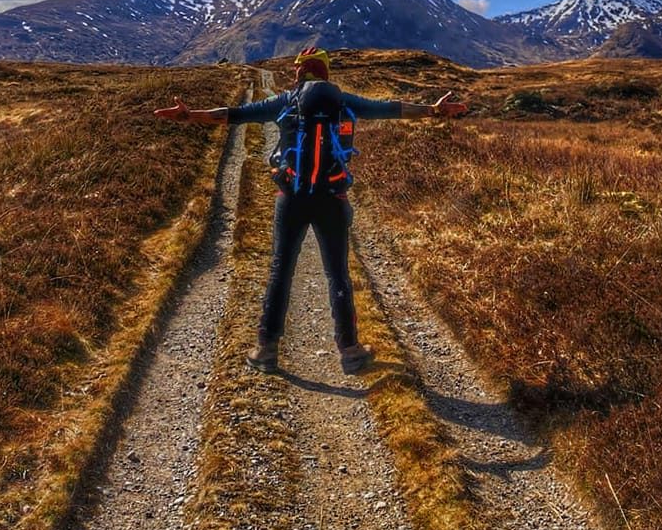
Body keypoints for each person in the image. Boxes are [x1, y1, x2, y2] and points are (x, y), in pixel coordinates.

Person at [154, 46, 468, 375]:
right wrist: (433, 110)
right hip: (332, 199)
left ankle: (265, 349)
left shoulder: (286, 101)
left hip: (291, 197)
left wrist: (190, 116)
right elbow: (391, 109)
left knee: (280, 271)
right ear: (326, 73)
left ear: (302, 72)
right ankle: (350, 351)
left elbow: (234, 114)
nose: (293, 73)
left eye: (296, 69)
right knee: (338, 275)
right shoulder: (345, 102)